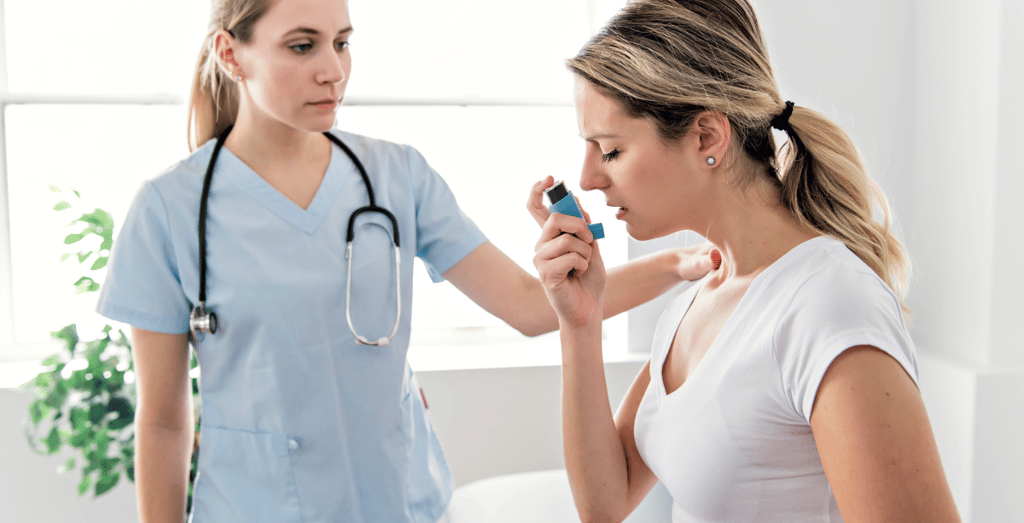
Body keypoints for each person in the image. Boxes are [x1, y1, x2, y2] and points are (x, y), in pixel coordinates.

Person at [94, 0, 717, 522]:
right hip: (254, 506)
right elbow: (165, 423)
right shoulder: (169, 209)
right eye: (302, 46)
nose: (333, 70)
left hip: (395, 503)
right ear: (232, 55)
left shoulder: (397, 176)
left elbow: (531, 307)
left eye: (342, 43)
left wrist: (678, 265)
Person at [533, 0, 962, 522]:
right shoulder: (700, 300)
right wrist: (580, 321)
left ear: (707, 137)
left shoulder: (829, 304)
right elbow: (605, 501)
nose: (588, 179)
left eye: (611, 150)